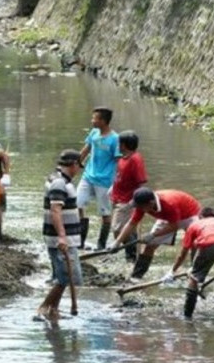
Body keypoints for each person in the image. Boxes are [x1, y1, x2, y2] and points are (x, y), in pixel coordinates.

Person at [112, 187, 201, 279]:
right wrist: (117, 242)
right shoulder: (141, 204)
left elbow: (174, 225)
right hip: (167, 217)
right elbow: (132, 223)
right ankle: (136, 277)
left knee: (195, 244)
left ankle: (195, 272)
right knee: (149, 246)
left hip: (190, 214)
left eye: (141, 207)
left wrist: (153, 234)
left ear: (151, 203)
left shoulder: (169, 203)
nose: (139, 209)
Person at [36, 149, 83, 321]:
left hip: (62, 237)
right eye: (78, 166)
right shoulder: (59, 183)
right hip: (62, 239)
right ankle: (44, 307)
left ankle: (52, 309)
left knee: (62, 276)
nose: (79, 170)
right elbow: (56, 210)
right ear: (74, 165)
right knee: (69, 276)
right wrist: (62, 237)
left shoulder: (57, 179)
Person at [76, 107, 120, 249]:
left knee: (105, 213)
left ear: (103, 121)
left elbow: (119, 161)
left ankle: (101, 245)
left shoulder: (115, 139)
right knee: (78, 204)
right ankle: (80, 241)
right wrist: (77, 163)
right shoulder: (94, 133)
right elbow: (86, 148)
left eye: (95, 118)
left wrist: (118, 182)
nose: (92, 121)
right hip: (88, 176)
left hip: (105, 180)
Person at [110, 130, 148, 259]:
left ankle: (131, 255)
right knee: (120, 229)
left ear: (124, 145)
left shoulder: (135, 159)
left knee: (117, 229)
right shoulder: (122, 159)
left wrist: (138, 204)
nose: (117, 146)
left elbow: (141, 183)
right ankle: (131, 255)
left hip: (127, 201)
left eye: (119, 143)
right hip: (117, 198)